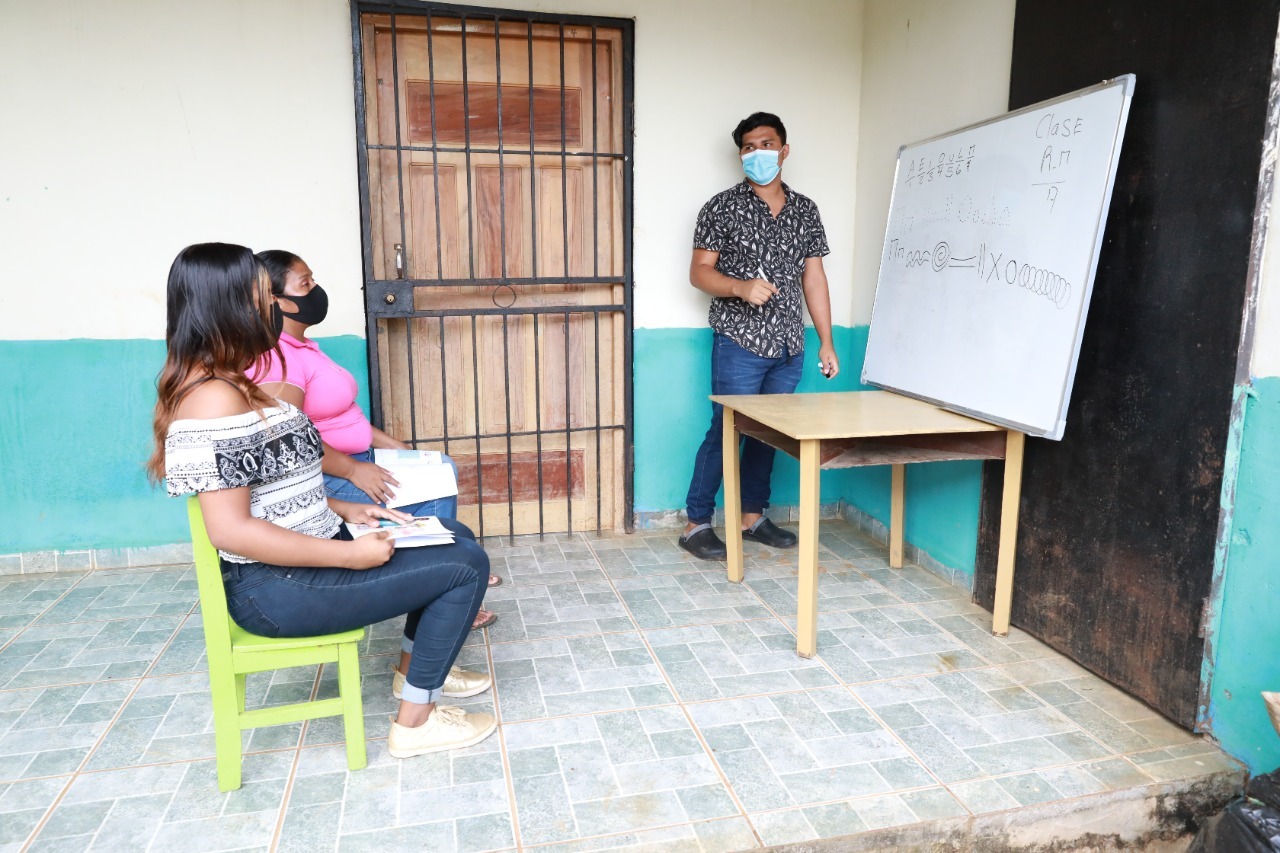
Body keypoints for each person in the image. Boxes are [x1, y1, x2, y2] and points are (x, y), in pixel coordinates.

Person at [149, 242, 496, 757]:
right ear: (228, 307)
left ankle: (411, 673)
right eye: (262, 297)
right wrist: (348, 553)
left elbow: (272, 484)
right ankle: (416, 724)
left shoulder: (232, 382)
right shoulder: (213, 399)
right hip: (277, 588)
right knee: (465, 564)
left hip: (302, 556)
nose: (273, 309)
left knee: (454, 537)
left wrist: (345, 508)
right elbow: (230, 529)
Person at [250, 250, 499, 631]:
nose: (316, 289)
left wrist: (389, 444)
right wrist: (353, 470)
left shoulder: (305, 348)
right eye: (305, 283)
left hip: (357, 457)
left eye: (313, 279)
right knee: (436, 482)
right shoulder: (277, 358)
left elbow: (339, 413)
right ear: (275, 300)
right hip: (330, 474)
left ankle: (456, 570)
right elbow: (288, 440)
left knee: (436, 465)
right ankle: (442, 586)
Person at [679, 112, 840, 560]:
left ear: (784, 150)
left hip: (789, 345)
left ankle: (752, 516)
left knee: (769, 432)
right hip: (739, 341)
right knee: (727, 430)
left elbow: (815, 279)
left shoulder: (806, 210)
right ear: (740, 156)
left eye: (766, 145)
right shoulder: (720, 207)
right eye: (748, 147)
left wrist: (826, 341)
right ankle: (696, 524)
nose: (757, 154)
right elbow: (698, 273)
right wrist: (739, 287)